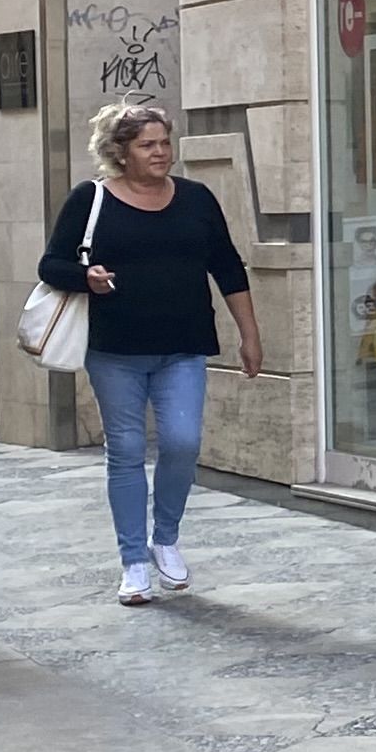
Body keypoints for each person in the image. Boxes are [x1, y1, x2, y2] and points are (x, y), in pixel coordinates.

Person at [48, 100, 258, 605]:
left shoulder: (196, 199)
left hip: (183, 345)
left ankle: (165, 538)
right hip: (115, 349)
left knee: (182, 443)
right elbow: (50, 265)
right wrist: (86, 277)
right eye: (148, 145)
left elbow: (228, 266)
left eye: (165, 143)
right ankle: (134, 562)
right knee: (125, 451)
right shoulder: (90, 199)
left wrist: (250, 333)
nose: (161, 152)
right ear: (120, 152)